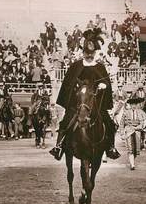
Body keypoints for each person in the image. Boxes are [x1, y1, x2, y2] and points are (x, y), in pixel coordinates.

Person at [49, 27, 120, 161]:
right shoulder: (75, 66)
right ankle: (59, 147)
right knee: (65, 121)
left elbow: (106, 82)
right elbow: (68, 83)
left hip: (96, 102)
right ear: (83, 52)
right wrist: (75, 88)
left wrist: (104, 85)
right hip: (78, 101)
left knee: (109, 123)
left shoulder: (100, 67)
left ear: (95, 52)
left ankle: (111, 147)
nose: (89, 55)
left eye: (91, 53)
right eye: (86, 52)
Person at [119, 98, 146, 170]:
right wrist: (122, 133)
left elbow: (143, 123)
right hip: (128, 130)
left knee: (136, 149)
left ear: (137, 105)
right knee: (130, 148)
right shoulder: (126, 112)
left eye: (135, 104)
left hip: (137, 131)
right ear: (130, 105)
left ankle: (132, 161)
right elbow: (121, 124)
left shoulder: (140, 112)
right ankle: (132, 164)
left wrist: (139, 127)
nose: (133, 106)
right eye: (132, 104)